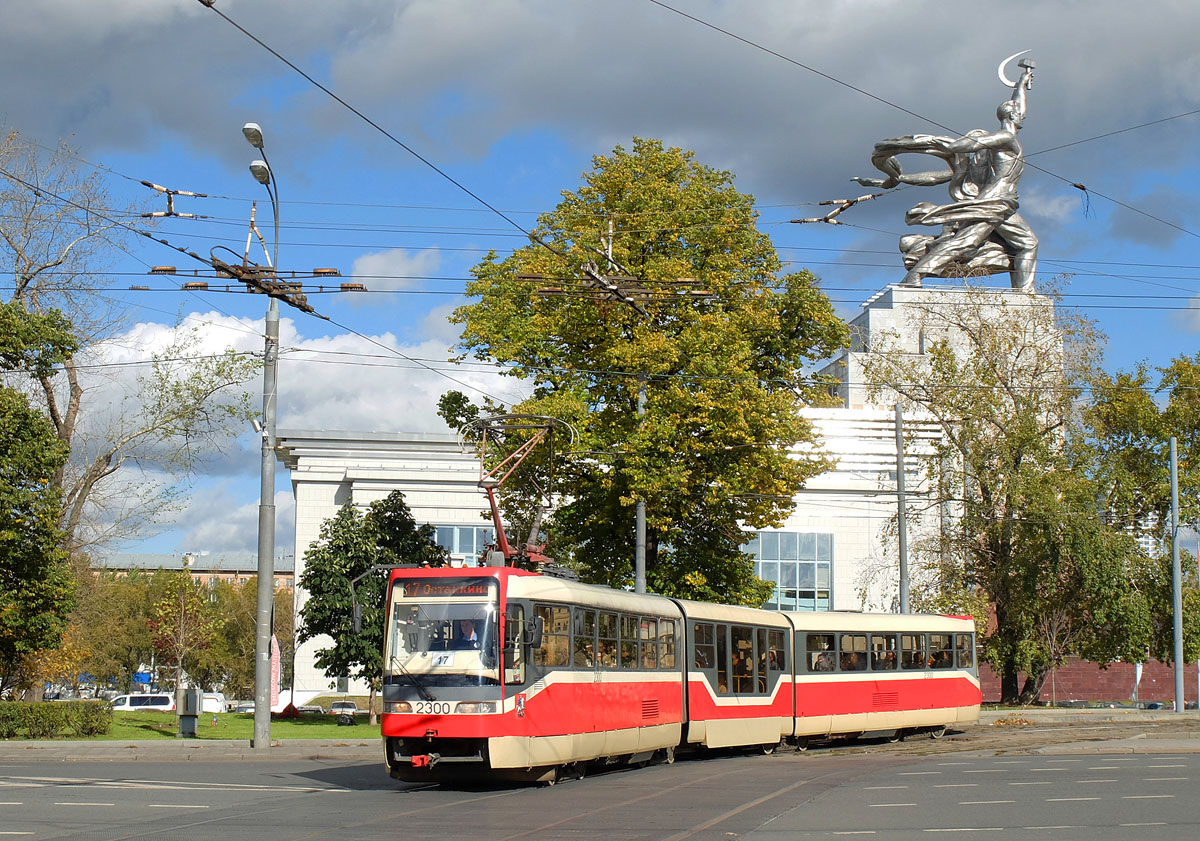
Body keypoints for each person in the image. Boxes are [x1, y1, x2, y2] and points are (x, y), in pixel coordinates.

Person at [854, 57, 1038, 292]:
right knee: (970, 241)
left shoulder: (1011, 131)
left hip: (1004, 203)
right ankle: (917, 275)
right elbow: (974, 143)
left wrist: (1022, 81)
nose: (1022, 115)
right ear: (1011, 116)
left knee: (1025, 243)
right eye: (1018, 113)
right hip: (994, 202)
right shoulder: (1006, 138)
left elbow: (1018, 105)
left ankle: (1024, 294)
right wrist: (950, 146)